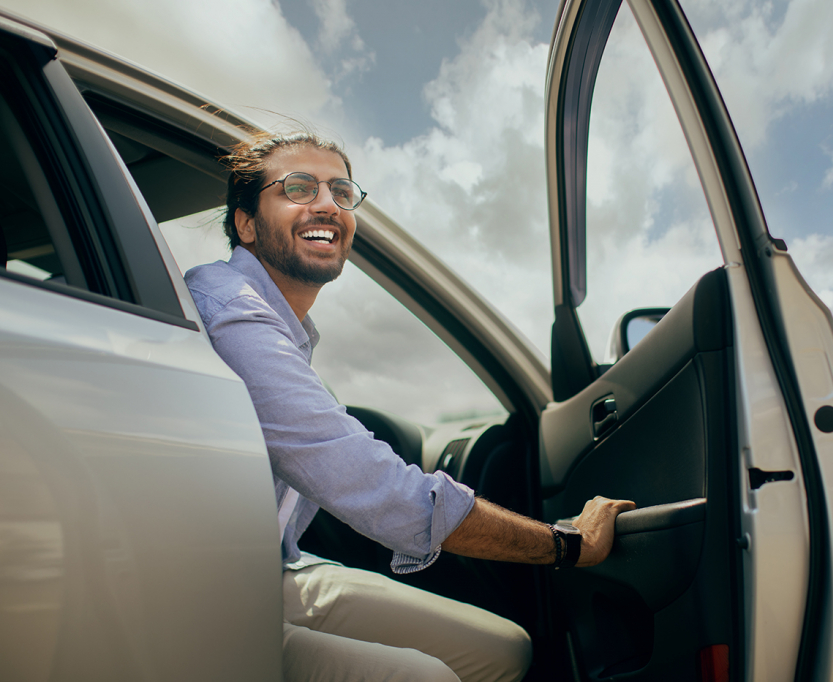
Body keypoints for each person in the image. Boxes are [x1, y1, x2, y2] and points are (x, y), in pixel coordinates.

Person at [184, 131, 635, 682]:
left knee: (506, 649)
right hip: (203, 593)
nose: (326, 203)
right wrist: (567, 544)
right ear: (247, 224)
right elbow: (366, 480)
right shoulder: (229, 310)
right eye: (297, 188)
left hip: (274, 570)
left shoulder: (287, 333)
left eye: (341, 192)